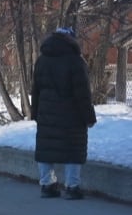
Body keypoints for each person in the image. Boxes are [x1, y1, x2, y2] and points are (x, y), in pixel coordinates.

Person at [31, 27, 97, 200]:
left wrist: (36, 114)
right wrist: (89, 117)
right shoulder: (76, 61)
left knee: (46, 149)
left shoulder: (42, 60)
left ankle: (47, 185)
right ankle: (72, 186)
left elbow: (35, 90)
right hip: (72, 115)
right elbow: (83, 94)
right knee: (73, 150)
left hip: (46, 114)